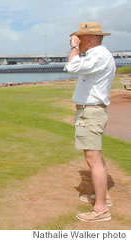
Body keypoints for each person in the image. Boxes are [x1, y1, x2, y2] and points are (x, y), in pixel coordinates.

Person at [65, 22, 116, 222]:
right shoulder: (98, 56)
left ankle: (101, 209)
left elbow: (71, 66)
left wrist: (74, 48)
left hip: (91, 113)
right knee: (96, 158)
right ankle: (103, 197)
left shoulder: (98, 55)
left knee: (93, 159)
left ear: (87, 38)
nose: (77, 41)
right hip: (92, 111)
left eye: (79, 38)